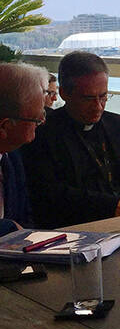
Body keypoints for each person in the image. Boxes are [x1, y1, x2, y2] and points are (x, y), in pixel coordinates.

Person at [23, 51, 120, 229]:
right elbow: (48, 194)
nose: (98, 106)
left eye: (103, 96)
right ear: (64, 93)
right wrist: (113, 206)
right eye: (88, 98)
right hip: (78, 228)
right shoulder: (42, 133)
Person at [0, 63, 49, 233]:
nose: (43, 122)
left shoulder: (11, 156)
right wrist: (10, 228)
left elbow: (26, 218)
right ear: (5, 127)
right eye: (36, 119)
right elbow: (15, 226)